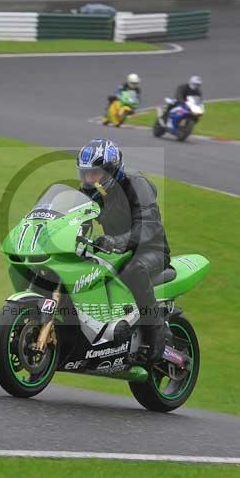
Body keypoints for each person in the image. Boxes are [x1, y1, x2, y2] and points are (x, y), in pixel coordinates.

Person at [77, 138, 172, 364]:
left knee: (133, 269)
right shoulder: (93, 191)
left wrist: (118, 241)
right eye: (85, 174)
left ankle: (157, 331)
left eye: (95, 173)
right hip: (114, 250)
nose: (89, 179)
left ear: (111, 171)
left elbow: (149, 226)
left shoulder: (136, 184)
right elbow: (75, 217)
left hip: (151, 251)